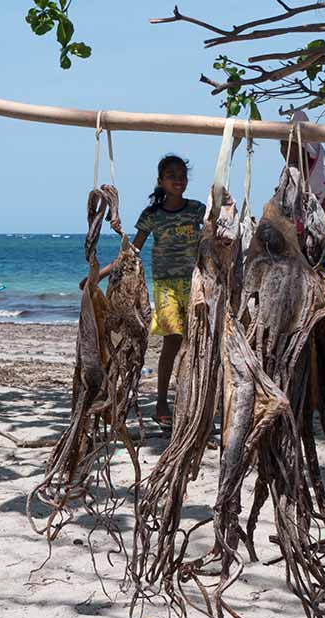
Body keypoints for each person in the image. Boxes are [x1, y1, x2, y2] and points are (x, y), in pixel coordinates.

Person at [89, 154, 205, 428]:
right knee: (173, 341)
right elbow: (131, 253)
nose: (178, 178)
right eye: (171, 174)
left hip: (196, 285)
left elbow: (220, 233)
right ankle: (163, 400)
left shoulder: (198, 210)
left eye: (182, 174)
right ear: (160, 181)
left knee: (198, 344)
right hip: (166, 287)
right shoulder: (152, 215)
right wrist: (99, 275)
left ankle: (193, 402)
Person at [281, 110, 325, 316]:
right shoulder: (291, 176)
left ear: (303, 146)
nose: (284, 150)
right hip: (298, 253)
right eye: (281, 145)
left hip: (321, 253)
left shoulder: (317, 175)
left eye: (288, 144)